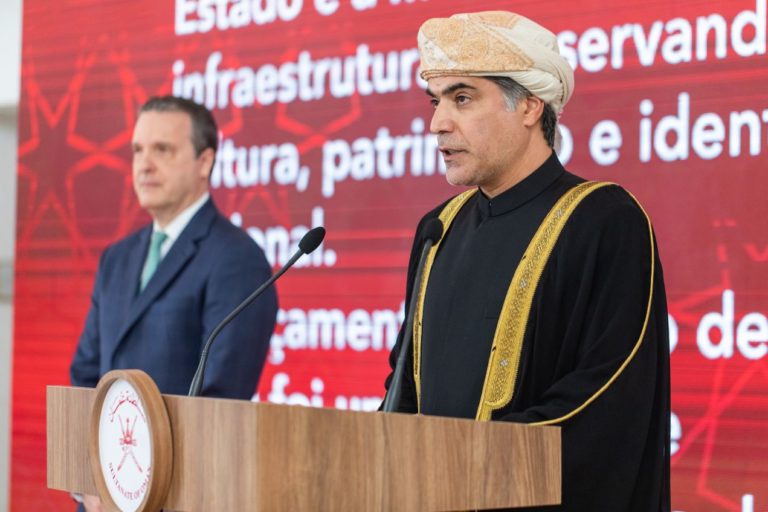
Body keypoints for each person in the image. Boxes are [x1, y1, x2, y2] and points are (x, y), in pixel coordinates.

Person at [383, 11, 670, 511]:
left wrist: (460, 470)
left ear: (530, 106)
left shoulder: (604, 220)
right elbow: (403, 392)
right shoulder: (439, 228)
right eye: (436, 100)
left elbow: (606, 402)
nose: (437, 123)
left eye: (462, 98)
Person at [70, 97, 278, 510]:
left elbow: (218, 401)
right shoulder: (117, 258)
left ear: (205, 162)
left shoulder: (236, 259)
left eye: (162, 150)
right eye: (138, 150)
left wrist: (136, 489)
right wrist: (89, 481)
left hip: (175, 498)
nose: (144, 165)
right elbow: (84, 375)